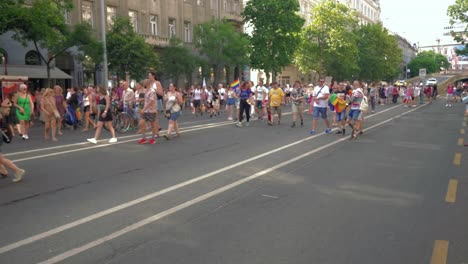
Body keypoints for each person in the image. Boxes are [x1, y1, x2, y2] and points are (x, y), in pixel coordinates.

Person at [138, 72, 163, 144]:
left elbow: (152, 101)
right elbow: (145, 99)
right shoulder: (146, 90)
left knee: (153, 124)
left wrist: (144, 108)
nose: (143, 84)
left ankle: (153, 137)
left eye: (150, 75)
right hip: (146, 109)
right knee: (141, 123)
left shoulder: (153, 89)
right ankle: (144, 137)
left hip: (152, 109)